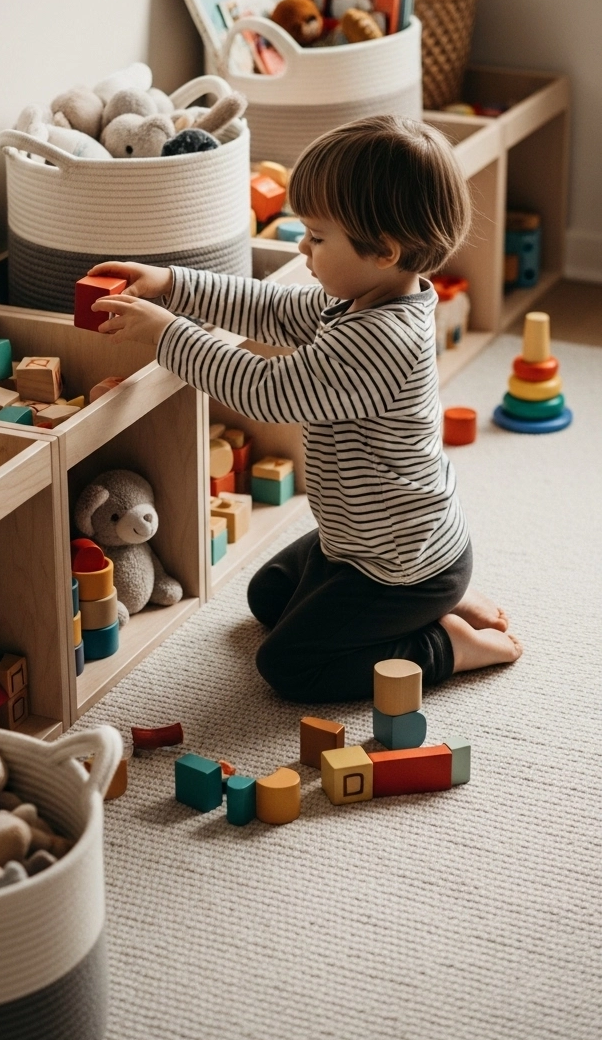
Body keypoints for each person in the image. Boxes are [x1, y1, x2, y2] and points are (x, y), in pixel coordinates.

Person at [91, 116, 522, 703]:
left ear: (384, 251)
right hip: (358, 542)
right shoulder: (358, 298)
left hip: (399, 562)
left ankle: (442, 643)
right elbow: (269, 309)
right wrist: (171, 284)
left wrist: (168, 335)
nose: (302, 246)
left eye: (317, 237)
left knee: (288, 665)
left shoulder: (381, 340)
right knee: (266, 597)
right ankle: (438, 601)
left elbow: (266, 389)